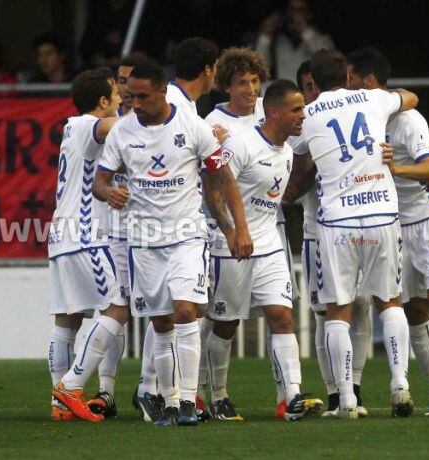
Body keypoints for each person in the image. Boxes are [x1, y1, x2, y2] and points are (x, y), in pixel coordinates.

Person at [96, 60, 242, 426]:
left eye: (143, 96)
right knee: (160, 322)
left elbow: (224, 177)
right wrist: (109, 192)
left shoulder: (193, 126)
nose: (135, 103)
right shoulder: (122, 132)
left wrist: (236, 228)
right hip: (144, 240)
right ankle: (171, 402)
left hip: (186, 235)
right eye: (131, 97)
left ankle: (190, 401)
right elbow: (100, 181)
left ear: (163, 91)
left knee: (185, 311)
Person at [296, 49, 418, 419]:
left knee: (338, 311)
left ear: (314, 83)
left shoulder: (308, 114)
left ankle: (347, 399)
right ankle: (400, 384)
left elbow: (293, 156)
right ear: (347, 76)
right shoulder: (373, 99)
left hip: (338, 222)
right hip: (381, 212)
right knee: (389, 301)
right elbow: (411, 97)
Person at [348, 47, 429, 416]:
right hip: (397, 221)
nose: (347, 87)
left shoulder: (408, 120)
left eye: (352, 80)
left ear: (369, 81)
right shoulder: (360, 120)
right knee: (414, 310)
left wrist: (395, 169)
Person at [204, 79, 323, 421]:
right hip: (231, 246)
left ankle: (292, 396)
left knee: (282, 317)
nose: (302, 116)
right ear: (273, 112)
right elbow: (212, 189)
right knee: (226, 323)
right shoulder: (241, 144)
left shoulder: (286, 152)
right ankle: (218, 396)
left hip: (269, 244)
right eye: (296, 110)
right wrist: (232, 231)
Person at [132, 37, 220, 423]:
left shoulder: (184, 105)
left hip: (171, 223)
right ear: (209, 70)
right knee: (172, 310)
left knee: (178, 308)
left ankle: (164, 392)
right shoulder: (177, 107)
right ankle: (153, 388)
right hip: (161, 224)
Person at [284, 60, 372, 418]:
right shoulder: (301, 127)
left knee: (362, 305)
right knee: (324, 313)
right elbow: (292, 187)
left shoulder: (354, 115)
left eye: (314, 84)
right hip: (317, 229)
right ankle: (335, 392)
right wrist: (319, 161)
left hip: (358, 222)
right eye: (306, 86)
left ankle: (355, 387)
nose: (313, 92)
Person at [47, 68, 123, 423]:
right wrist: (154, 118)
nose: (121, 100)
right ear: (103, 101)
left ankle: (60, 403)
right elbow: (110, 127)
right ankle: (71, 386)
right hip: (84, 233)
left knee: (67, 319)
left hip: (62, 234)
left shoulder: (71, 128)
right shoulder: (85, 124)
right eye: (117, 94)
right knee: (117, 306)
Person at [254, 0, 335, 81]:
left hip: (311, 88)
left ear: (309, 14)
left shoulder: (322, 38)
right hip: (284, 88)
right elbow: (260, 67)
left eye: (300, 10)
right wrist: (265, 35)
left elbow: (327, 61)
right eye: (292, 10)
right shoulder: (278, 39)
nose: (295, 15)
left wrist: (304, 29)